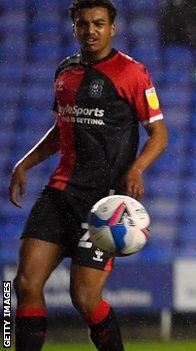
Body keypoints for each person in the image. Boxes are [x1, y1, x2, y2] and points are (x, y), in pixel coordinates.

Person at [8, 1, 168, 350]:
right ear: (74, 28)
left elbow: (159, 134)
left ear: (112, 28)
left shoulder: (132, 73)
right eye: (84, 24)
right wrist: (25, 163)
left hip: (103, 203)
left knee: (83, 296)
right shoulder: (65, 70)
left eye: (99, 24)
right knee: (24, 284)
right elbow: (60, 128)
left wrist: (137, 168)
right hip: (60, 193)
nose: (91, 30)